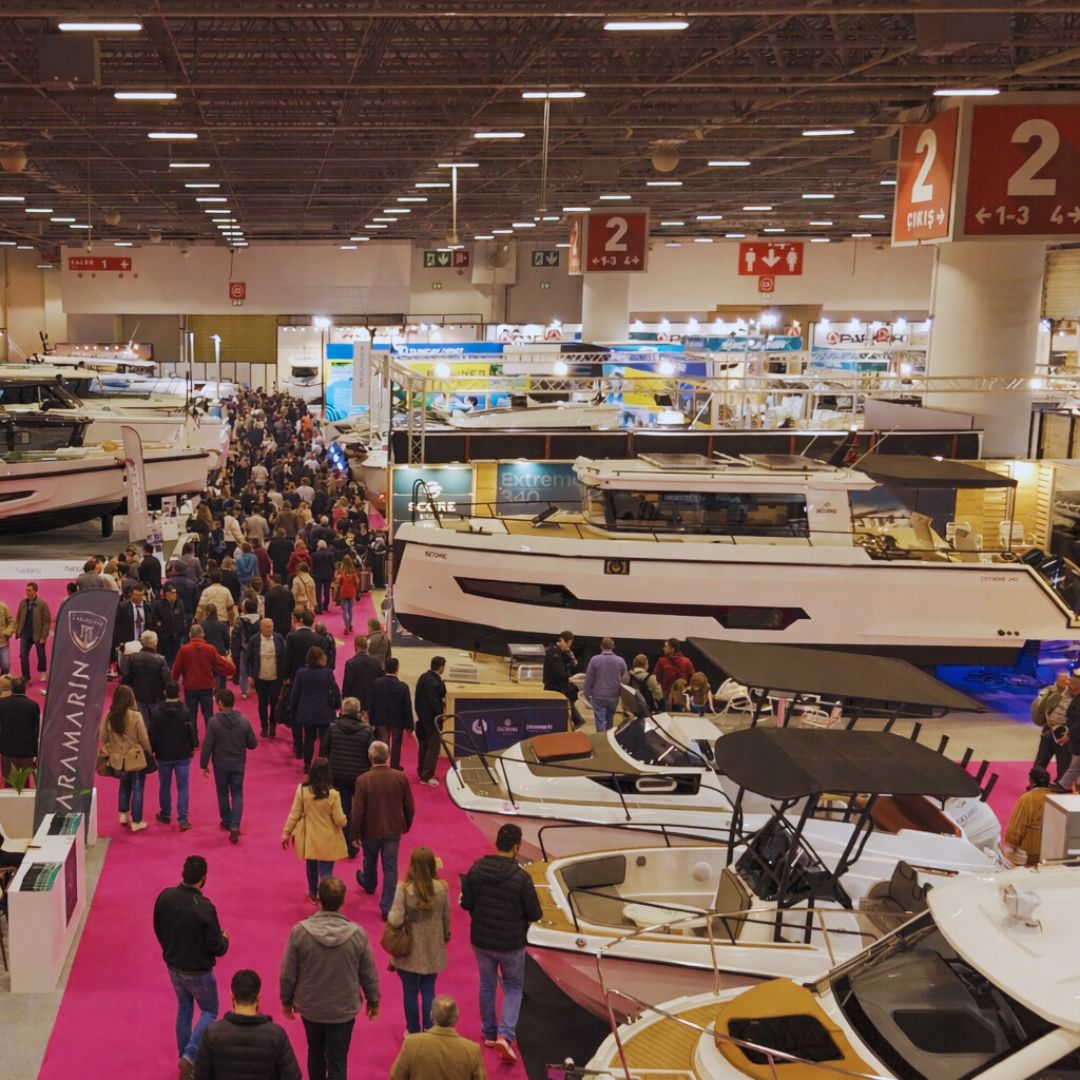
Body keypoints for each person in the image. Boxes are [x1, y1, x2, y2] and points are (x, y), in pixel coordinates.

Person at [279, 875, 380, 1080]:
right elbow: (368, 973)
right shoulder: (358, 935)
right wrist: (373, 1001)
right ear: (343, 901)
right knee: (338, 1061)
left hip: (311, 1007)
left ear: (319, 899)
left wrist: (286, 1001)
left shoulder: (299, 932)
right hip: (343, 1010)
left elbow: (288, 974)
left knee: (315, 1052)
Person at [460, 823, 542, 1064]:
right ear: (516, 847)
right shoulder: (521, 878)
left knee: (487, 985)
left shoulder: (476, 870)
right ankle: (505, 1035)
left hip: (481, 940)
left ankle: (488, 1033)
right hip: (511, 943)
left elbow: (466, 903)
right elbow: (535, 913)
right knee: (513, 986)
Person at [153, 855, 230, 1079]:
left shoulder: (165, 896)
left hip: (173, 966)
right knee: (210, 1011)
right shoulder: (204, 907)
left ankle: (183, 1055)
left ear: (183, 873)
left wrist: (168, 949)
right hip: (198, 970)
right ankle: (190, 1055)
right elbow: (217, 946)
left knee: (185, 1009)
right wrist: (225, 940)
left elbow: (157, 928)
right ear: (204, 878)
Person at [194, 968, 301, 1080]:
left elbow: (201, 1076)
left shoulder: (211, 1034)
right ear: (258, 998)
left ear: (232, 997)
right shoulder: (277, 1035)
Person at [387, 847, 451, 1034]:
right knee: (429, 989)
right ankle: (429, 1029)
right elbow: (446, 917)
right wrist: (445, 935)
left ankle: (413, 1031)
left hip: (408, 948)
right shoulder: (442, 888)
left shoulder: (404, 889)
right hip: (433, 947)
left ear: (412, 865)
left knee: (410, 991)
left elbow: (395, 920)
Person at [350, 740, 415, 919]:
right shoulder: (400, 777)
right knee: (391, 867)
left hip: (370, 829)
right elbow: (410, 806)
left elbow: (358, 811)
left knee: (369, 860)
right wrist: (406, 824)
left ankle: (369, 884)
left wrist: (354, 834)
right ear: (387, 756)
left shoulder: (363, 780)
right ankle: (387, 908)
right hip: (393, 829)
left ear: (370, 756)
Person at [282, 757, 349, 902]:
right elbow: (339, 820)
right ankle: (327, 899)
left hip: (310, 837)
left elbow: (294, 813)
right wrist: (345, 820)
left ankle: (313, 892)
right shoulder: (333, 794)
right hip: (328, 838)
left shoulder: (302, 791)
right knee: (326, 871)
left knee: (311, 865)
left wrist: (286, 833)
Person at [200, 688, 257, 844]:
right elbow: (253, 744)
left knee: (222, 791)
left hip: (220, 763)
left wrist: (203, 764)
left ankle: (226, 821)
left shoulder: (213, 722)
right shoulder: (244, 721)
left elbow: (207, 745)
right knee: (237, 793)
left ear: (219, 703)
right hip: (238, 762)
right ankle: (235, 825)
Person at [390, 996, 486, 1080]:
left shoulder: (411, 1043)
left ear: (431, 1015)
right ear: (456, 1018)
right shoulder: (472, 1050)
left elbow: (396, 1076)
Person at [325, 697, 374, 857]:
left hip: (338, 775)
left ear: (343, 711)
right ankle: (362, 840)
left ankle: (347, 845)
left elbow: (324, 752)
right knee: (361, 810)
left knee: (344, 810)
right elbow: (372, 755)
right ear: (358, 712)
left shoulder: (333, 728)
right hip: (360, 776)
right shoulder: (367, 731)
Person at [99, 684, 152, 832]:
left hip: (117, 758)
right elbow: (143, 737)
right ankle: (137, 821)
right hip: (134, 756)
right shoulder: (135, 715)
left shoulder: (109, 716)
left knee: (124, 784)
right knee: (138, 787)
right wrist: (149, 750)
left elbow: (103, 737)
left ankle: (123, 813)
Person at [149, 680, 198, 830]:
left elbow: (153, 735)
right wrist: (192, 747)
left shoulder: (156, 713)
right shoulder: (185, 712)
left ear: (165, 693)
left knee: (164, 785)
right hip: (182, 754)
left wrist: (154, 750)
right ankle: (183, 819)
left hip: (163, 755)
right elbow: (191, 732)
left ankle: (165, 814)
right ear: (179, 693)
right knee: (183, 787)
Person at [173, 625, 237, 737]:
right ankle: (210, 738)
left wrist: (174, 686)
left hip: (190, 687)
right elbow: (222, 665)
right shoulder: (210, 649)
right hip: (206, 686)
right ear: (203, 635)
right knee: (208, 714)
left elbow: (176, 669)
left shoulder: (184, 649)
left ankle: (193, 739)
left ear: (190, 635)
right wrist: (231, 666)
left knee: (191, 715)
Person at [289, 646, 342, 771]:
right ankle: (321, 766)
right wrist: (338, 704)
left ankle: (307, 764)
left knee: (308, 737)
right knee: (323, 739)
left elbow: (295, 692)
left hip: (306, 711)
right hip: (324, 710)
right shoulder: (327, 672)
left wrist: (291, 708)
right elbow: (334, 689)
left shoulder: (301, 672)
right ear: (320, 658)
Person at [1002, 766, 1066, 865]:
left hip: (1030, 853)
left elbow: (1016, 827)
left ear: (1031, 781)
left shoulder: (1027, 798)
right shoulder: (1058, 799)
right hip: (1054, 853)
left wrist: (1010, 846)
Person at [368, 657, 413, 771]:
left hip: (381, 719)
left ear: (385, 668)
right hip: (397, 720)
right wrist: (409, 724)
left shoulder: (376, 683)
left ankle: (381, 766)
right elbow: (407, 707)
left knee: (382, 744)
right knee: (396, 745)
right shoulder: (403, 686)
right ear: (397, 669)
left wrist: (371, 720)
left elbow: (371, 703)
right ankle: (395, 766)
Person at [246, 617, 285, 737]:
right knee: (262, 703)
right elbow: (248, 659)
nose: (270, 629)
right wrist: (250, 675)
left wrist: (284, 676)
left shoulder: (279, 638)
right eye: (268, 627)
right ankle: (264, 726)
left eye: (271, 626)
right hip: (260, 678)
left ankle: (273, 724)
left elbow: (284, 657)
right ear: (261, 628)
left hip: (275, 677)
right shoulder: (254, 640)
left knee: (274, 702)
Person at [1032, 671, 1073, 781]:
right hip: (1048, 731)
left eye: (1067, 681)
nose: (1065, 683)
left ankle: (1060, 785)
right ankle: (1035, 783)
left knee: (1063, 765)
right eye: (1062, 681)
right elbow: (1039, 708)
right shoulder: (1049, 692)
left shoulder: (1076, 697)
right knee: (1040, 762)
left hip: (1064, 734)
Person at [124, 629, 170, 727]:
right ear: (155, 642)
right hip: (156, 698)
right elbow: (166, 681)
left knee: (142, 726)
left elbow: (126, 679)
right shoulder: (160, 660)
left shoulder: (132, 658)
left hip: (138, 697)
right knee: (156, 726)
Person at [582, 637, 627, 733]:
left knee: (600, 720)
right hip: (614, 696)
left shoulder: (594, 660)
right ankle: (608, 737)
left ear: (601, 646)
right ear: (613, 647)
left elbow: (589, 678)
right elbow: (624, 675)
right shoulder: (620, 661)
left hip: (598, 695)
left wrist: (586, 694)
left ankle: (601, 738)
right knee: (610, 720)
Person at [0, 676, 40, 783]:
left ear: (12, 688)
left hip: (6, 750)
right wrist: (35, 753)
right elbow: (35, 732)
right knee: (23, 783)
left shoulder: (1, 703)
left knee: (8, 781)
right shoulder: (33, 706)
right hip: (26, 752)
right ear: (25, 688)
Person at [414, 656, 446, 787]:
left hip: (422, 719)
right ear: (441, 667)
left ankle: (421, 771)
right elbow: (435, 704)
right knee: (433, 749)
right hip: (432, 722)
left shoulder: (423, 677)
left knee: (424, 746)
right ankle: (426, 776)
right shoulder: (435, 683)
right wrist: (440, 718)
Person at [14, 581, 50, 683]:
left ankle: (42, 671)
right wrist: (18, 631)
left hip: (38, 634)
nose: (27, 592)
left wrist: (43, 636)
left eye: (29, 590)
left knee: (41, 655)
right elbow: (19, 617)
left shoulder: (42, 603)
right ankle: (26, 676)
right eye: (26, 590)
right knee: (23, 656)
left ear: (35, 591)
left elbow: (46, 621)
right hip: (25, 634)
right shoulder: (23, 602)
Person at [543, 630, 580, 727]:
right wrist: (569, 678)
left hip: (560, 686)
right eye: (568, 643)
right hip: (554, 688)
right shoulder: (554, 652)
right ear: (562, 641)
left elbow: (574, 665)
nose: (569, 646)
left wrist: (571, 657)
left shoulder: (562, 653)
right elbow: (559, 673)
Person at [342, 635, 382, 716]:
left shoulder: (351, 663)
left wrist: (345, 696)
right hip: (373, 699)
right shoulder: (376, 661)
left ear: (356, 646)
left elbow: (348, 682)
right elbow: (380, 679)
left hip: (356, 701)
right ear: (367, 646)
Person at [230, 598, 262, 700]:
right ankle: (257, 687)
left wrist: (234, 651)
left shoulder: (240, 621)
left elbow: (235, 636)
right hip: (258, 648)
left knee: (243, 670)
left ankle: (245, 690)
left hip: (244, 649)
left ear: (245, 609)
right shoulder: (260, 620)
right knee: (258, 668)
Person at [154, 582, 190, 668]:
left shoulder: (179, 603)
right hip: (164, 636)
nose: (175, 595)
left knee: (175, 657)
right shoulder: (158, 605)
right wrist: (161, 630)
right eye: (172, 592)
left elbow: (182, 618)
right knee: (166, 657)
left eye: (175, 592)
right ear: (166, 593)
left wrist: (181, 631)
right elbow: (155, 620)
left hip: (176, 635)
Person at [652, 638, 694, 708]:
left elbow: (655, 680)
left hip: (673, 700)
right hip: (671, 699)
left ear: (672, 649)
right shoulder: (687, 661)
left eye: (665, 646)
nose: (663, 648)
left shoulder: (662, 661)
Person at [333, 555, 361, 635]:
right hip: (351, 592)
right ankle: (350, 625)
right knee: (350, 610)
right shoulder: (353, 572)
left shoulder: (341, 572)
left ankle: (347, 627)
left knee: (344, 610)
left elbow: (336, 581)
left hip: (343, 592)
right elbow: (357, 582)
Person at [312, 540, 337, 615]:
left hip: (318, 575)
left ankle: (319, 608)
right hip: (328, 575)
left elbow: (313, 566)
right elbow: (333, 566)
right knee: (327, 592)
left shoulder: (314, 554)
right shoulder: (331, 554)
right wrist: (333, 574)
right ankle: (325, 606)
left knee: (318, 593)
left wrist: (313, 573)